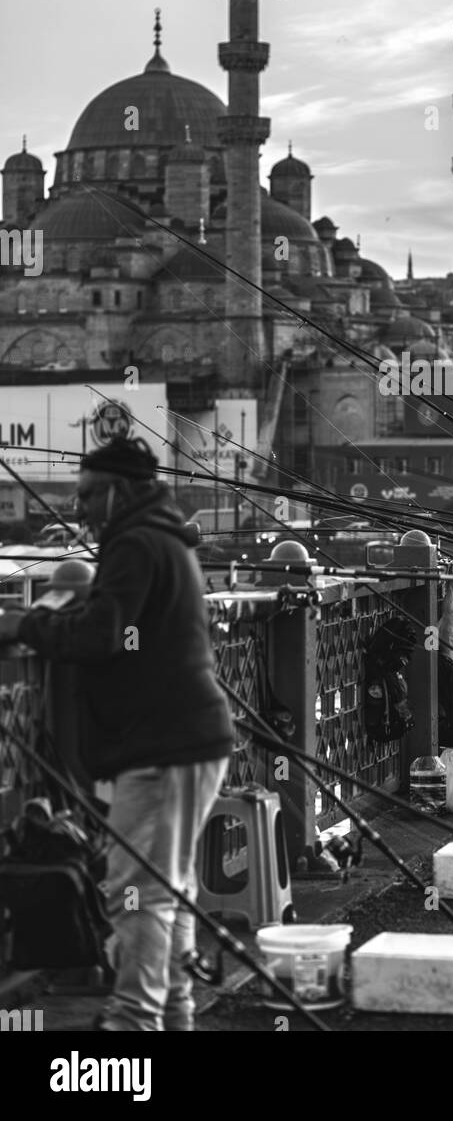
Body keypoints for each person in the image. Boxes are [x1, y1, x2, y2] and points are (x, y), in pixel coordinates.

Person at [0, 437, 234, 1031]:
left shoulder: (134, 542)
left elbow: (101, 635)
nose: (79, 509)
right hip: (189, 739)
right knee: (168, 887)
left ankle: (134, 1022)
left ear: (118, 491)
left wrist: (23, 623)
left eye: (86, 496)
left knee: (135, 892)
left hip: (163, 746)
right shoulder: (160, 537)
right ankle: (171, 1013)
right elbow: (114, 622)